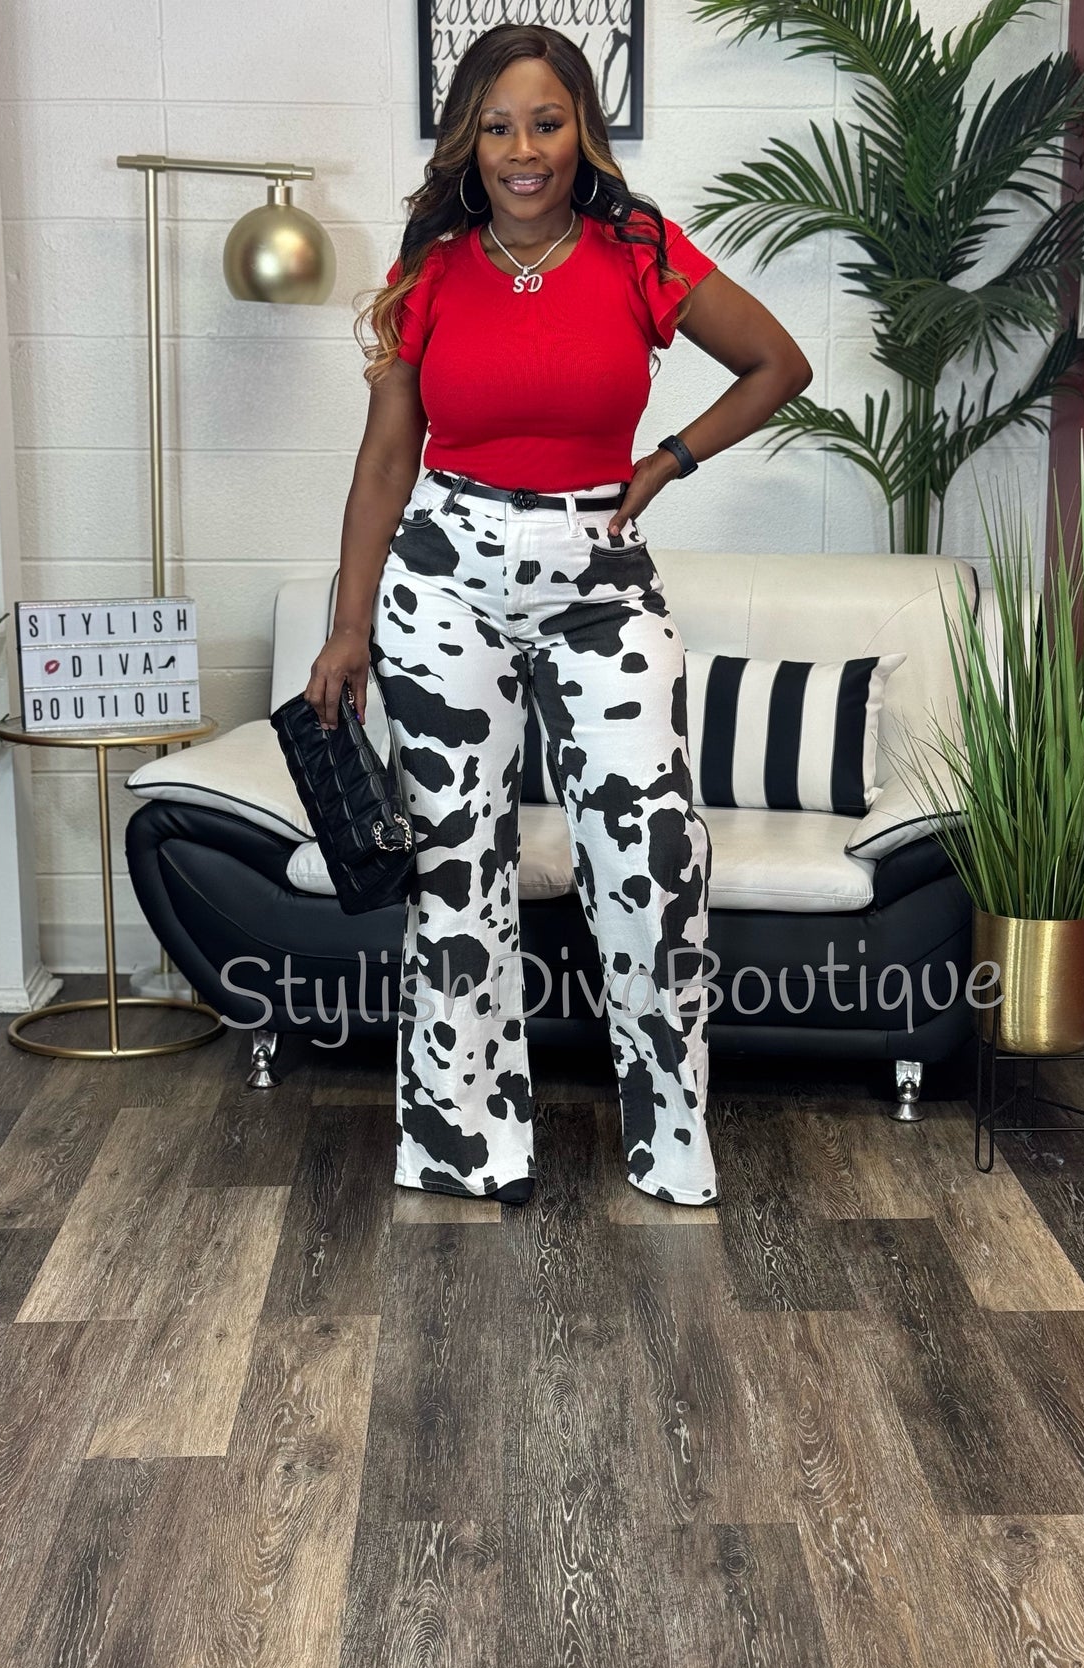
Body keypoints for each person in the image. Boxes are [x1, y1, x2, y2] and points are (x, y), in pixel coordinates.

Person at [305, 22, 811, 1208]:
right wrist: (350, 624)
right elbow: (384, 462)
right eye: (498, 127)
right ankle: (464, 1145)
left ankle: (672, 1144)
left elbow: (778, 364)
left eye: (546, 122)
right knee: (455, 868)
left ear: (582, 128)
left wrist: (670, 460)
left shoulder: (641, 251)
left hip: (601, 576)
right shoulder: (431, 272)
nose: (524, 150)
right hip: (446, 576)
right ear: (466, 143)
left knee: (653, 858)